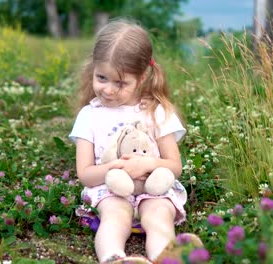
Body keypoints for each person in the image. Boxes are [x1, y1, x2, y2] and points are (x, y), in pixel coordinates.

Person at [69, 18, 189, 263]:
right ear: (92, 69)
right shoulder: (89, 115)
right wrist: (116, 168)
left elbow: (174, 166)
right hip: (111, 189)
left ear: (142, 77)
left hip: (153, 189)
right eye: (101, 78)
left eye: (120, 83)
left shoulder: (156, 112)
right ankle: (113, 258)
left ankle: (164, 258)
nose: (108, 90)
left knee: (158, 216)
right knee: (116, 215)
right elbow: (86, 174)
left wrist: (146, 166)